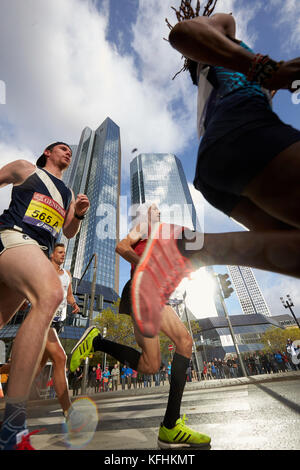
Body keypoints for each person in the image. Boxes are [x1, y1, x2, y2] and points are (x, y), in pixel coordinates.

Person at [129, 0, 300, 353]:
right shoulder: (222, 31)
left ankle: (188, 247)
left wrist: (272, 78)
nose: (230, 20)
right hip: (241, 132)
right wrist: (265, 69)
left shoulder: (214, 72)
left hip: (227, 156)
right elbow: (183, 32)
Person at [69, 203, 211, 449]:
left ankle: (97, 342)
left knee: (150, 364)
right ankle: (170, 426)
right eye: (152, 209)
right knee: (185, 342)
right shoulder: (142, 227)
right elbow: (121, 246)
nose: (157, 212)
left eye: (158, 210)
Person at [0, 142, 90, 450]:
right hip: (12, 237)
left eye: (69, 151)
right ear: (47, 153)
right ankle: (12, 428)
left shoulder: (66, 194)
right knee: (50, 293)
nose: (68, 153)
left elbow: (68, 232)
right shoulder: (26, 169)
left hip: (33, 254)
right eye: (62, 148)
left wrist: (77, 214)